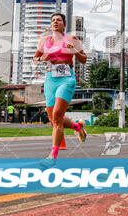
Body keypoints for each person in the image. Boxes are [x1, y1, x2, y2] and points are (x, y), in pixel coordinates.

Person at [33, 13, 88, 165]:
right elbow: (35, 58)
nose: (55, 22)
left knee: (57, 114)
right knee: (53, 120)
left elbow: (84, 60)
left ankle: (52, 156)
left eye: (58, 20)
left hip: (67, 79)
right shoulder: (44, 41)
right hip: (50, 80)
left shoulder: (71, 39)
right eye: (53, 20)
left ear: (64, 24)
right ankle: (78, 127)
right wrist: (40, 58)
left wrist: (75, 51)